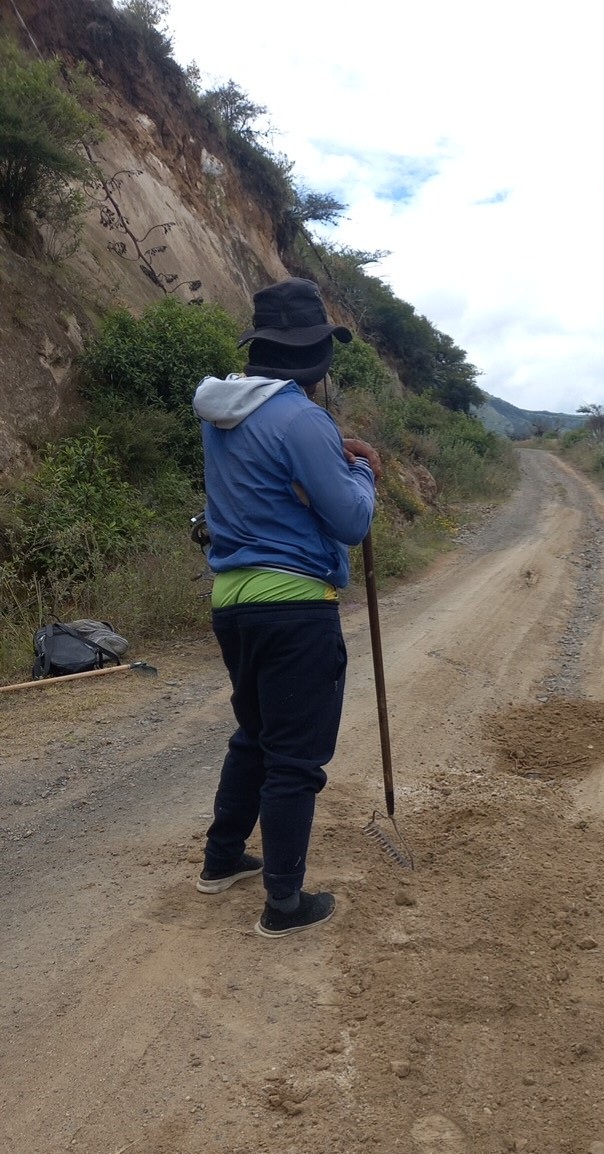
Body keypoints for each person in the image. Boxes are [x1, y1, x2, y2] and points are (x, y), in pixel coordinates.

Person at [192, 277, 381, 937]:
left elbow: (271, 468)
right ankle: (284, 905)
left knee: (255, 735)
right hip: (294, 607)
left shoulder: (222, 412)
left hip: (233, 602)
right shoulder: (304, 418)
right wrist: (363, 471)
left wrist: (331, 453)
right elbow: (351, 520)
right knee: (295, 757)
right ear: (314, 354)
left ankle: (222, 860)